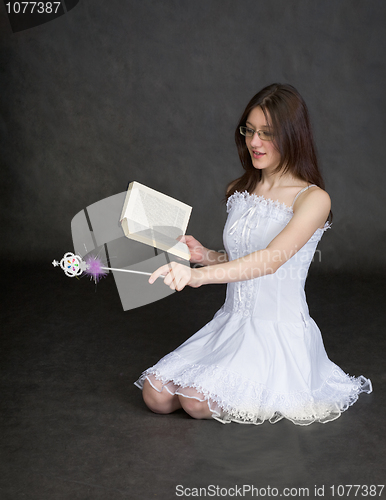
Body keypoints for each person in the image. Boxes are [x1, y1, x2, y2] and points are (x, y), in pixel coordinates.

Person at [134, 83, 372, 425]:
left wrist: (198, 276)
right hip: (231, 323)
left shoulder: (313, 199)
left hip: (275, 333)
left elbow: (270, 260)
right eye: (249, 131)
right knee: (155, 396)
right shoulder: (240, 189)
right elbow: (240, 259)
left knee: (196, 403)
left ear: (293, 136)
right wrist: (204, 256)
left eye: (266, 133)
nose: (254, 142)